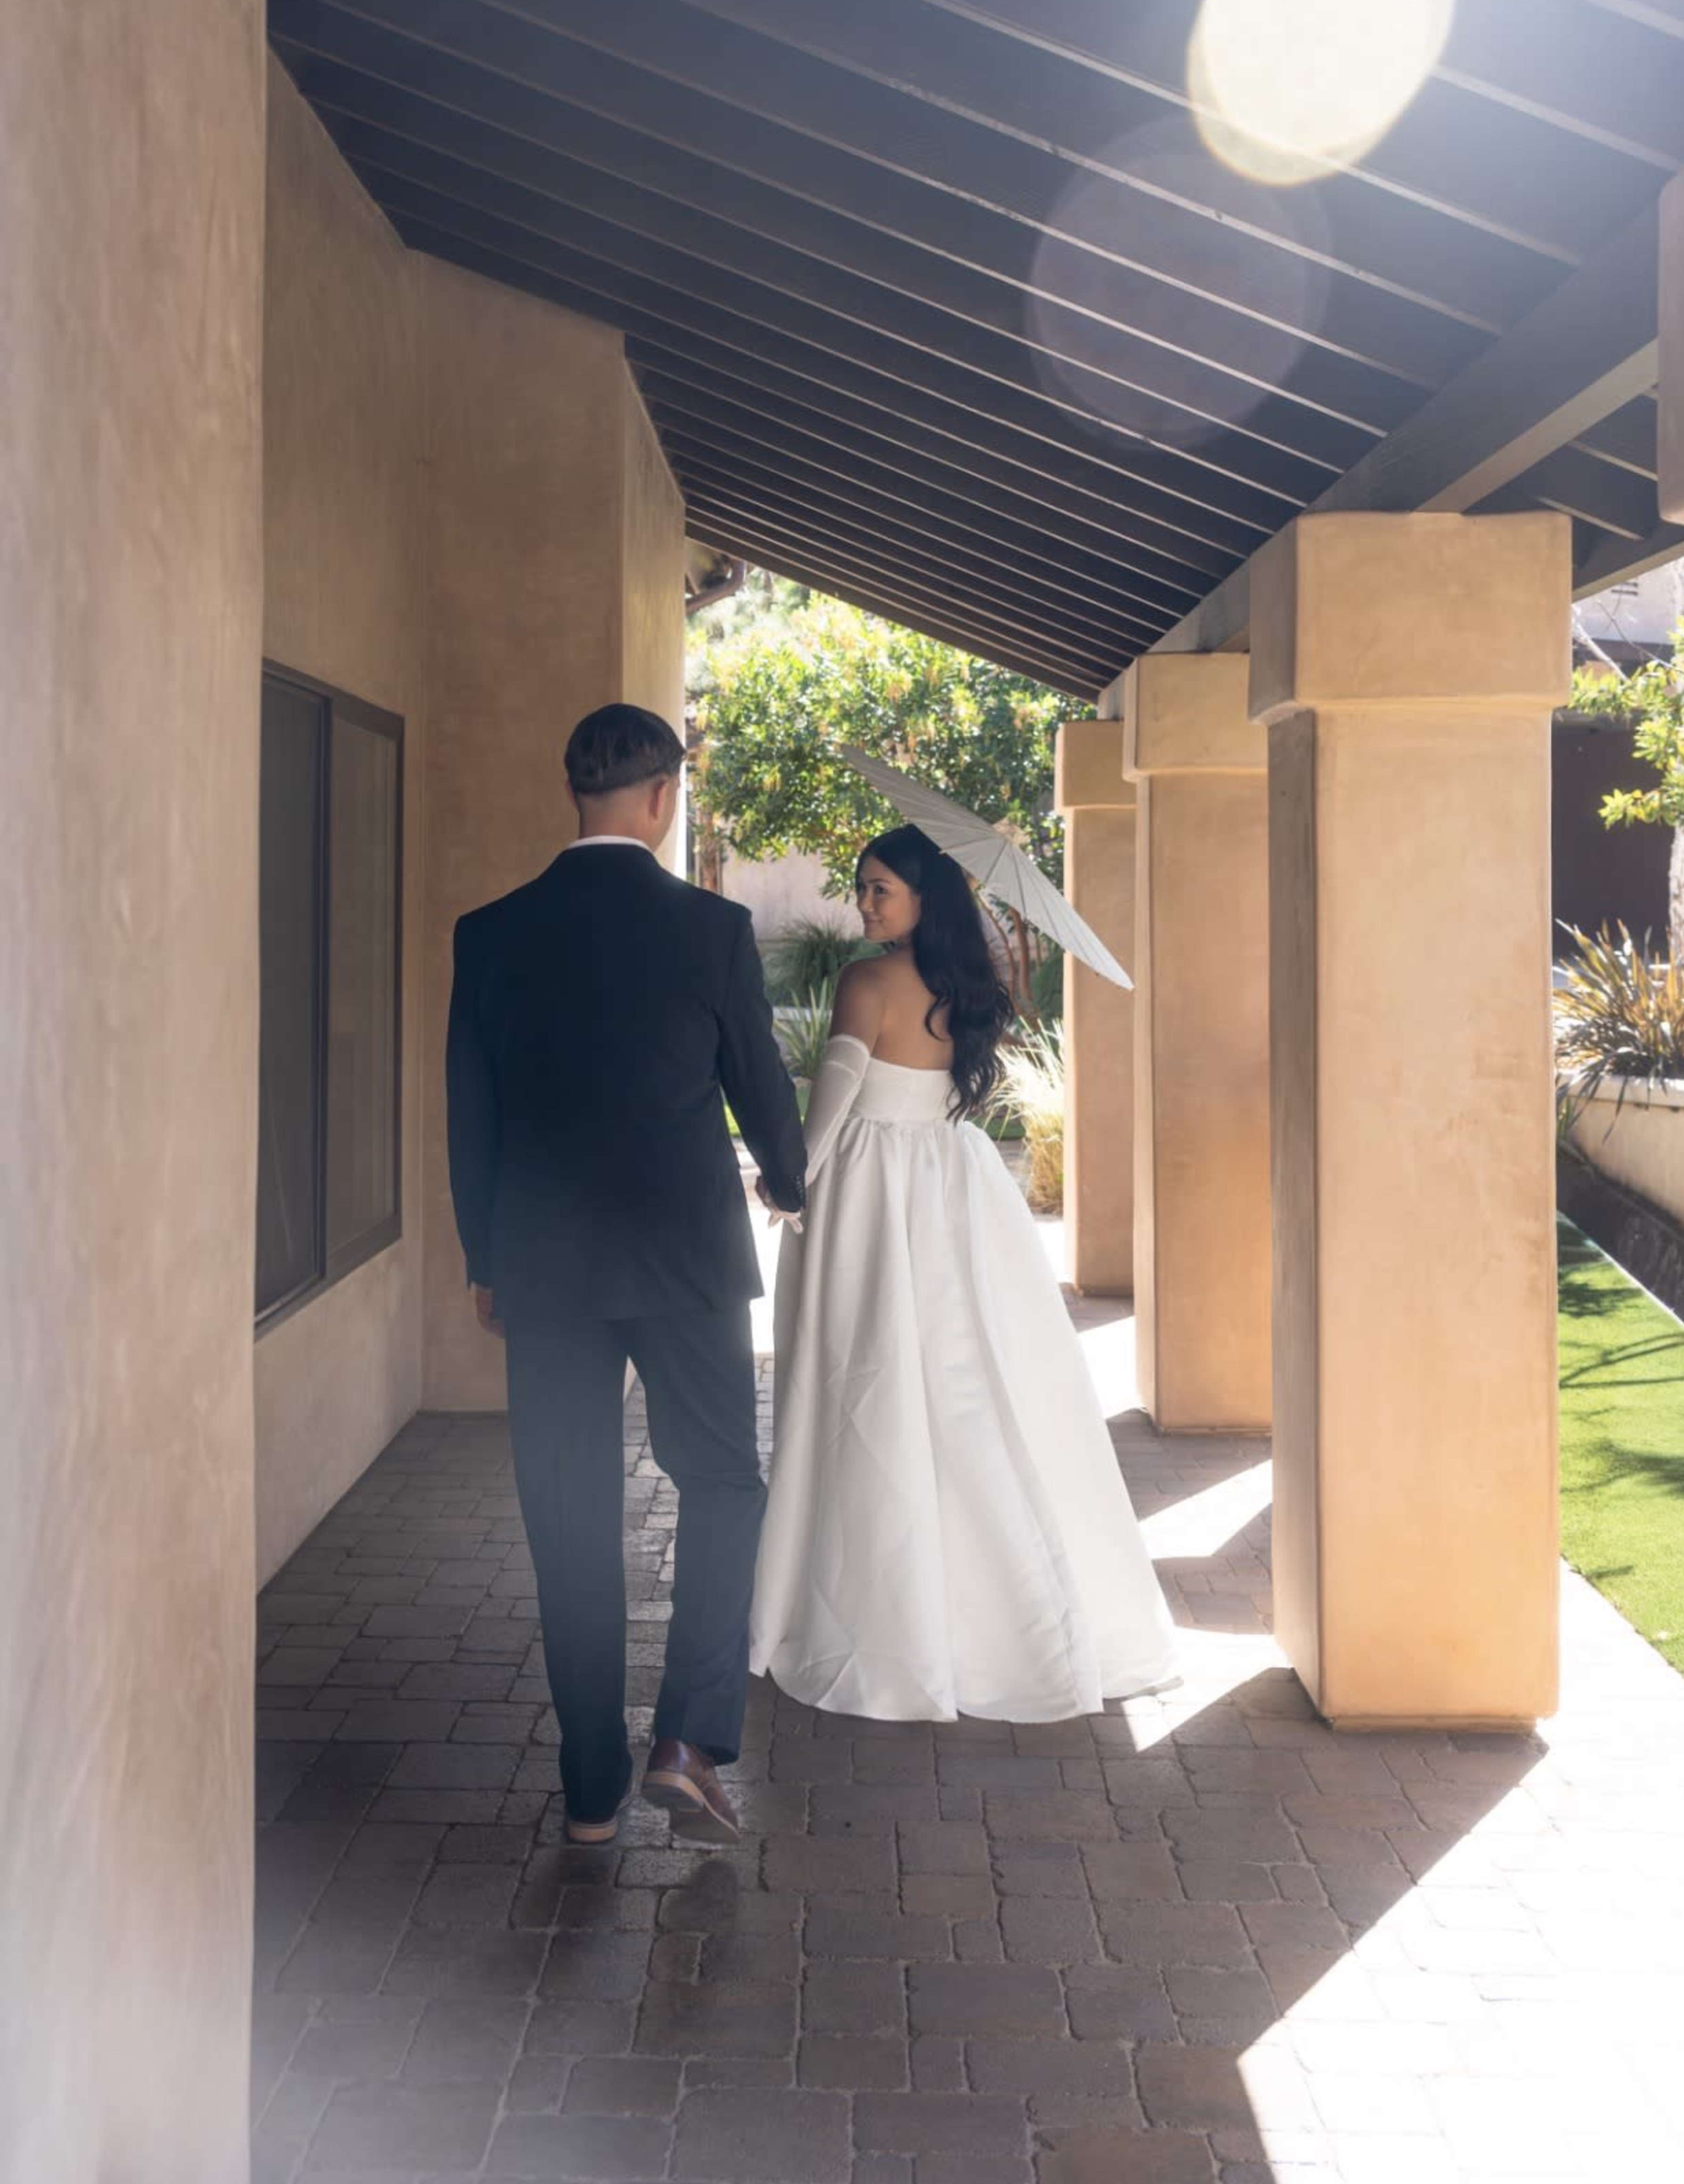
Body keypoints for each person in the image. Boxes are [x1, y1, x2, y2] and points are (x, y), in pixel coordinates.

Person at [446, 703, 805, 1847]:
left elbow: (472, 1115)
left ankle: (592, 1789)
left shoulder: (490, 932)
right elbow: (760, 1084)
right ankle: (689, 1739)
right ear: (664, 795)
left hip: (544, 1259)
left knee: (569, 1514)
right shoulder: (713, 928)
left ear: (578, 792)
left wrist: (484, 1258)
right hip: (687, 1255)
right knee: (724, 1481)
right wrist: (789, 1182)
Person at [750, 822, 1177, 1721]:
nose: (863, 903)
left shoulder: (866, 982)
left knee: (864, 1376)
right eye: (862, 888)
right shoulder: (971, 985)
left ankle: (880, 1608)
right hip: (952, 1182)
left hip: (872, 1188)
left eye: (879, 890)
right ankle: (1000, 1605)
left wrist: (785, 1186)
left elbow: (828, 1115)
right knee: (964, 1378)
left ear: (922, 899)